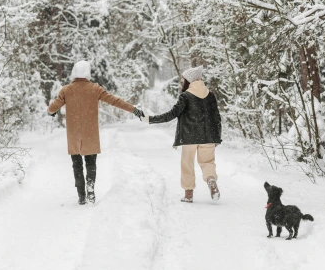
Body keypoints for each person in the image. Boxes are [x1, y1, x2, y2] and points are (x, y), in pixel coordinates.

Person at [48, 60, 144, 205]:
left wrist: (52, 111)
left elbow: (52, 108)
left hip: (74, 134)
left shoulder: (66, 90)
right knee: (91, 163)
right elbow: (115, 101)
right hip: (90, 132)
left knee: (77, 164)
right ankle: (90, 189)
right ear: (88, 72)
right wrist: (134, 110)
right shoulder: (95, 89)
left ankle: (81, 195)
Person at [143, 66, 222, 203]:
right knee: (208, 162)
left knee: (187, 164)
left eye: (183, 80)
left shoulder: (186, 96)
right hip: (209, 136)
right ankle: (211, 180)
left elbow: (171, 114)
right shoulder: (210, 95)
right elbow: (217, 118)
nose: (182, 82)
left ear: (188, 81)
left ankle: (188, 195)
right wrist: (217, 137)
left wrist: (151, 119)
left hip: (189, 137)